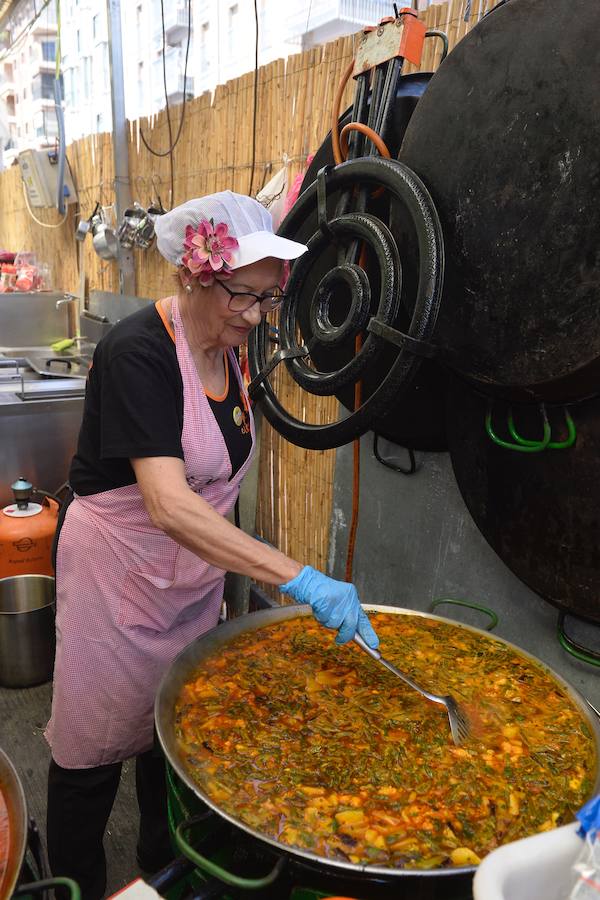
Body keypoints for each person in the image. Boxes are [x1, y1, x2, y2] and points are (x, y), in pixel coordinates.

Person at [44, 190, 379, 898]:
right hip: (119, 580)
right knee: (92, 748)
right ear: (192, 274)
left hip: (187, 585)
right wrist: (300, 578)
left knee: (172, 730)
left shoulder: (232, 352)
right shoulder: (138, 353)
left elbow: (214, 482)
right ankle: (73, 880)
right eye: (242, 297)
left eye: (265, 300)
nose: (255, 317)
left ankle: (163, 873)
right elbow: (168, 504)